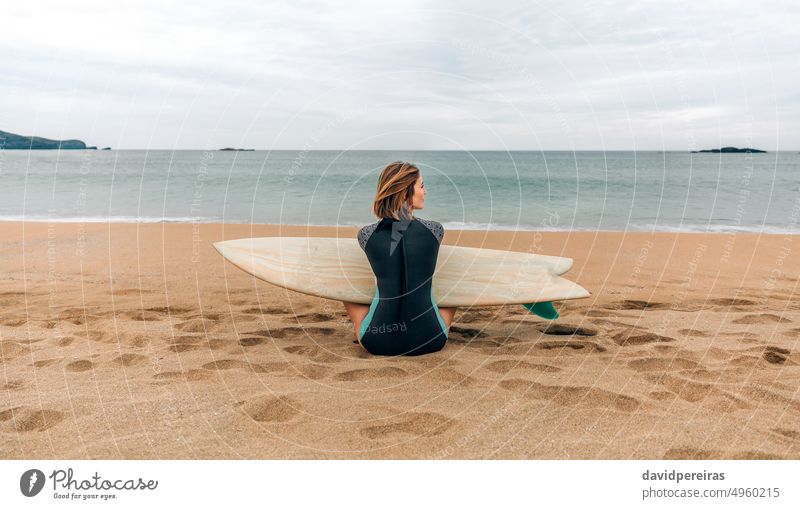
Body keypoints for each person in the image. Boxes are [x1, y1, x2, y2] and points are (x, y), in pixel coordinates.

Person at [342, 161, 457, 356]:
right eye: (421, 186)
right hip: (431, 340)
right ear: (405, 193)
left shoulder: (366, 235)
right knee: (450, 296)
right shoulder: (435, 231)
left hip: (378, 342)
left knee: (346, 294)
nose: (425, 191)